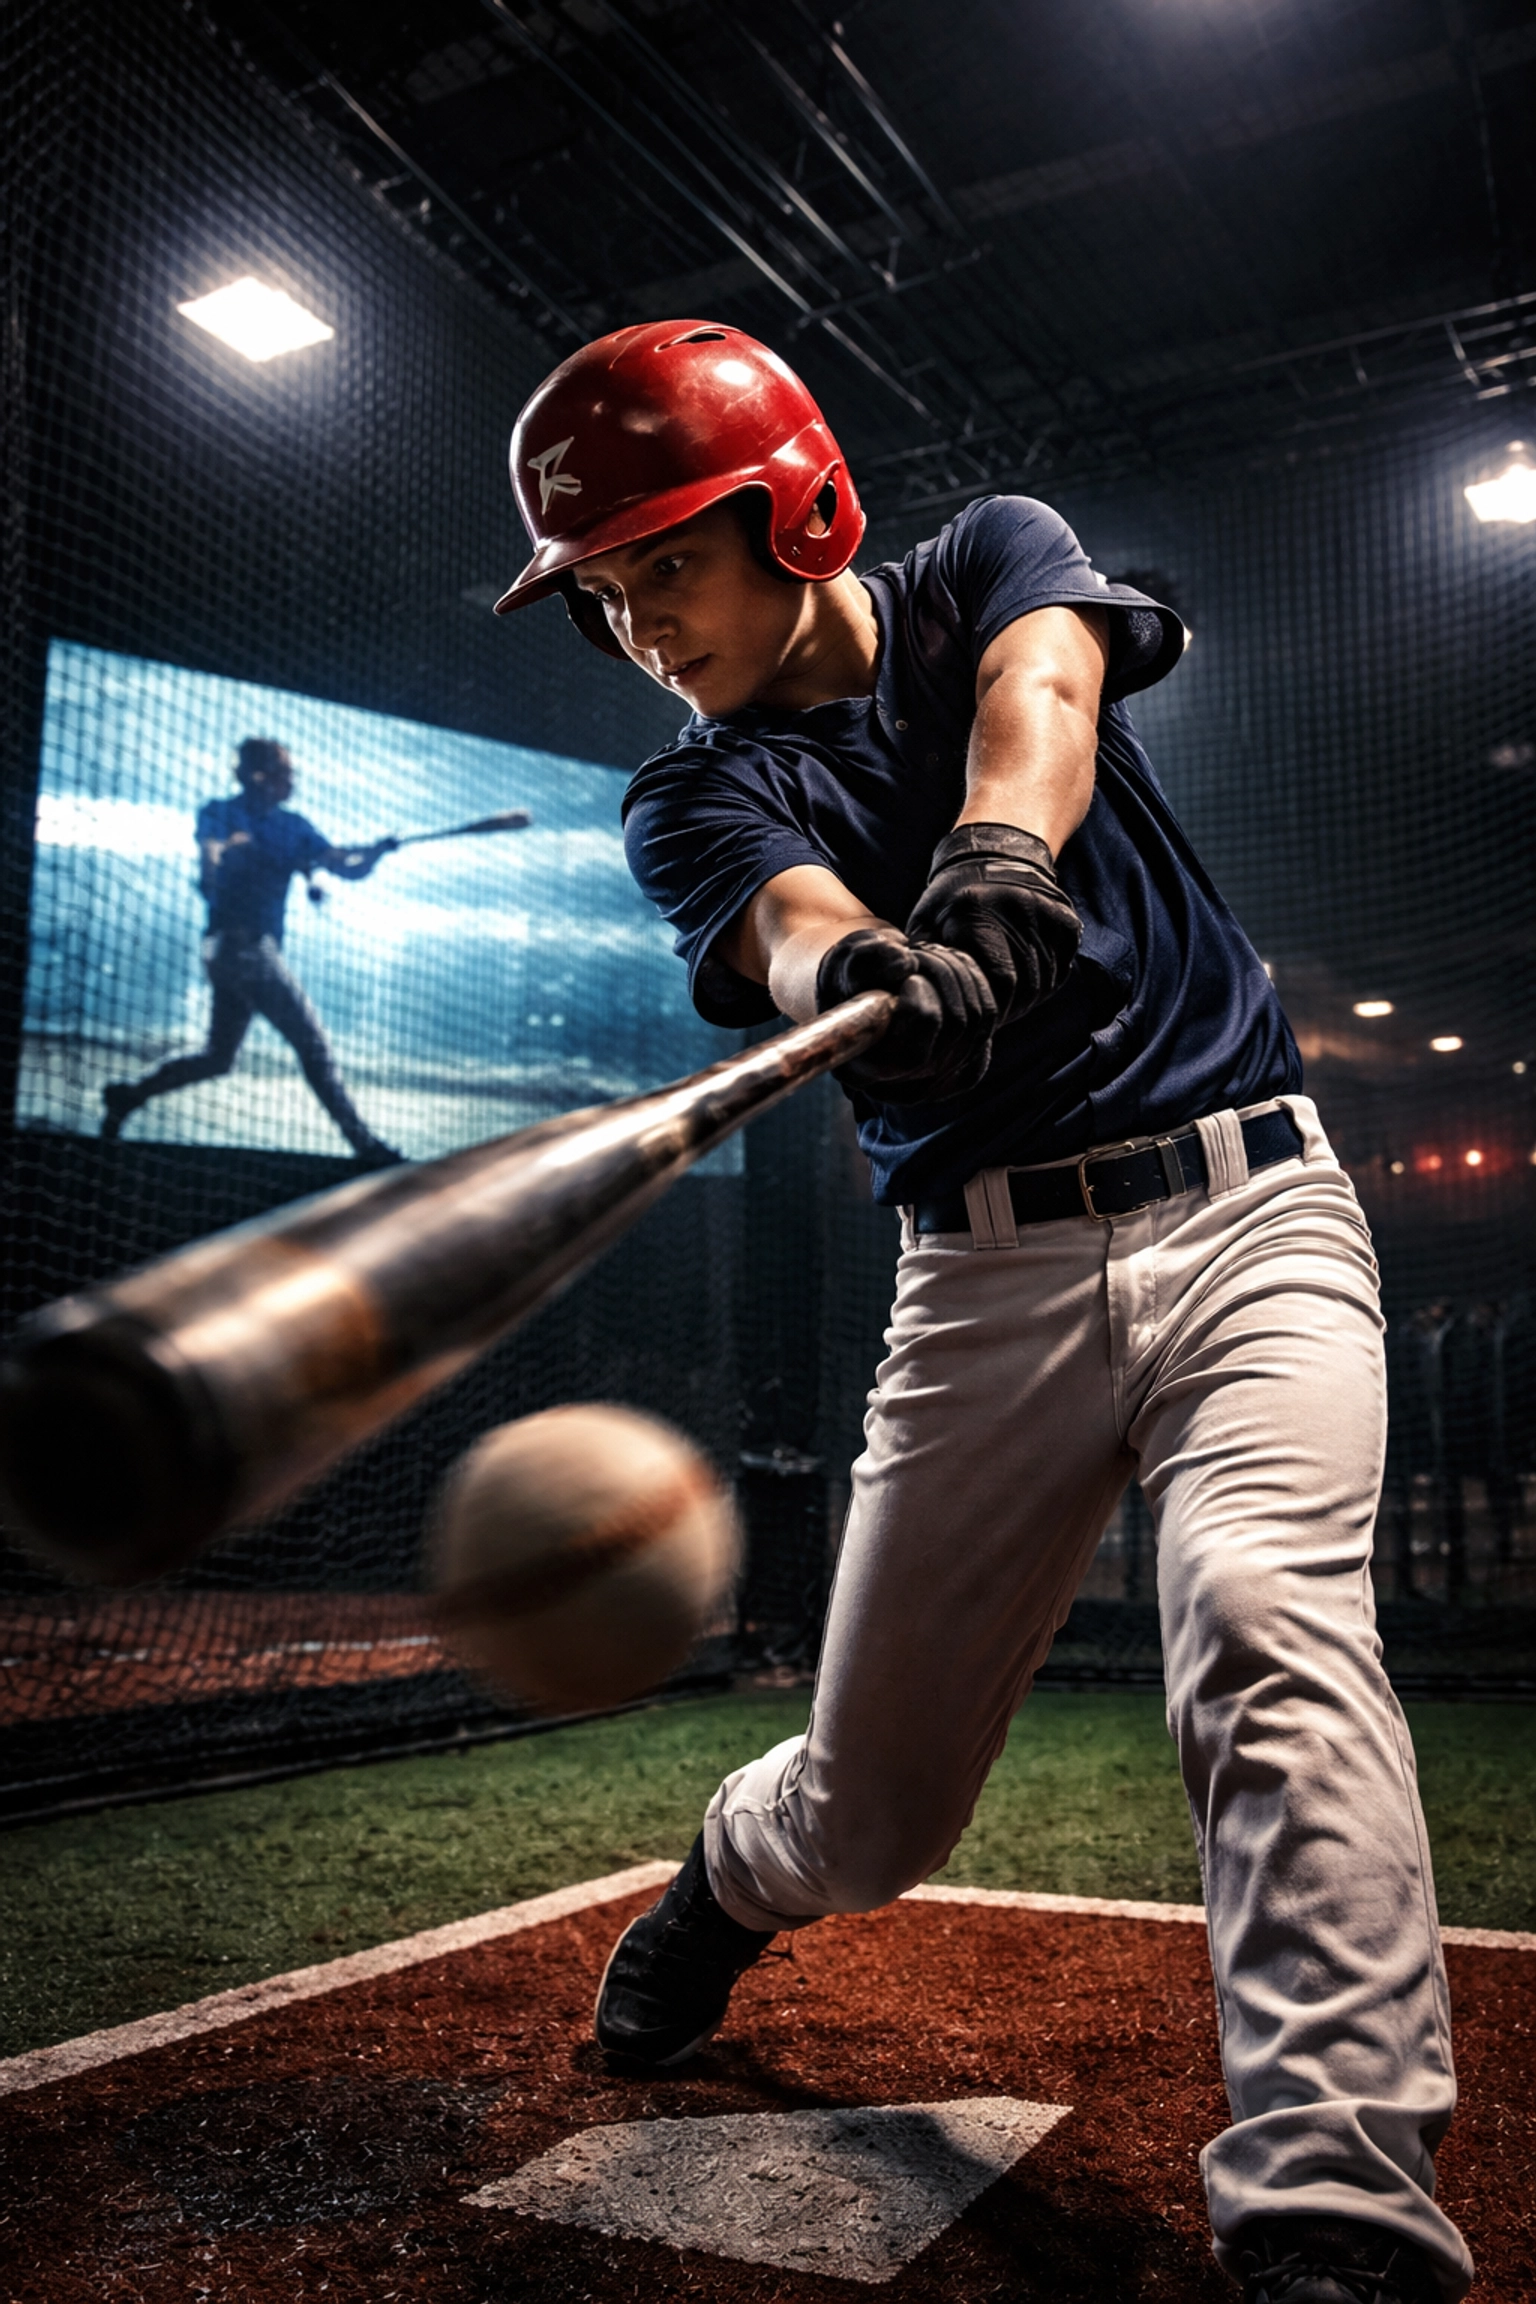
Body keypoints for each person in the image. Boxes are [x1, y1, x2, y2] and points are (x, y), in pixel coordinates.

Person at [492, 322, 1472, 2304]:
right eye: (601, 593)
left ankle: (1336, 2205)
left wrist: (997, 858)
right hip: (983, 1284)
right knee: (868, 1823)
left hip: (1253, 1216)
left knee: (1266, 1627)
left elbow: (1047, 690)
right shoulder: (691, 795)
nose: (639, 624)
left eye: (667, 562)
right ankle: (728, 1880)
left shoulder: (985, 565)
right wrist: (875, 969)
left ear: (798, 512)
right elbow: (786, 923)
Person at [101, 737, 402, 1164]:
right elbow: (211, 860)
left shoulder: (293, 826)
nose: (292, 781)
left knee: (218, 1058)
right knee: (313, 1048)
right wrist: (217, 869)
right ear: (260, 777)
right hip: (246, 950)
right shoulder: (224, 814)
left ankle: (130, 1096)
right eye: (285, 773)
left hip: (228, 952)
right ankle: (366, 1147)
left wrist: (376, 852)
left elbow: (347, 867)